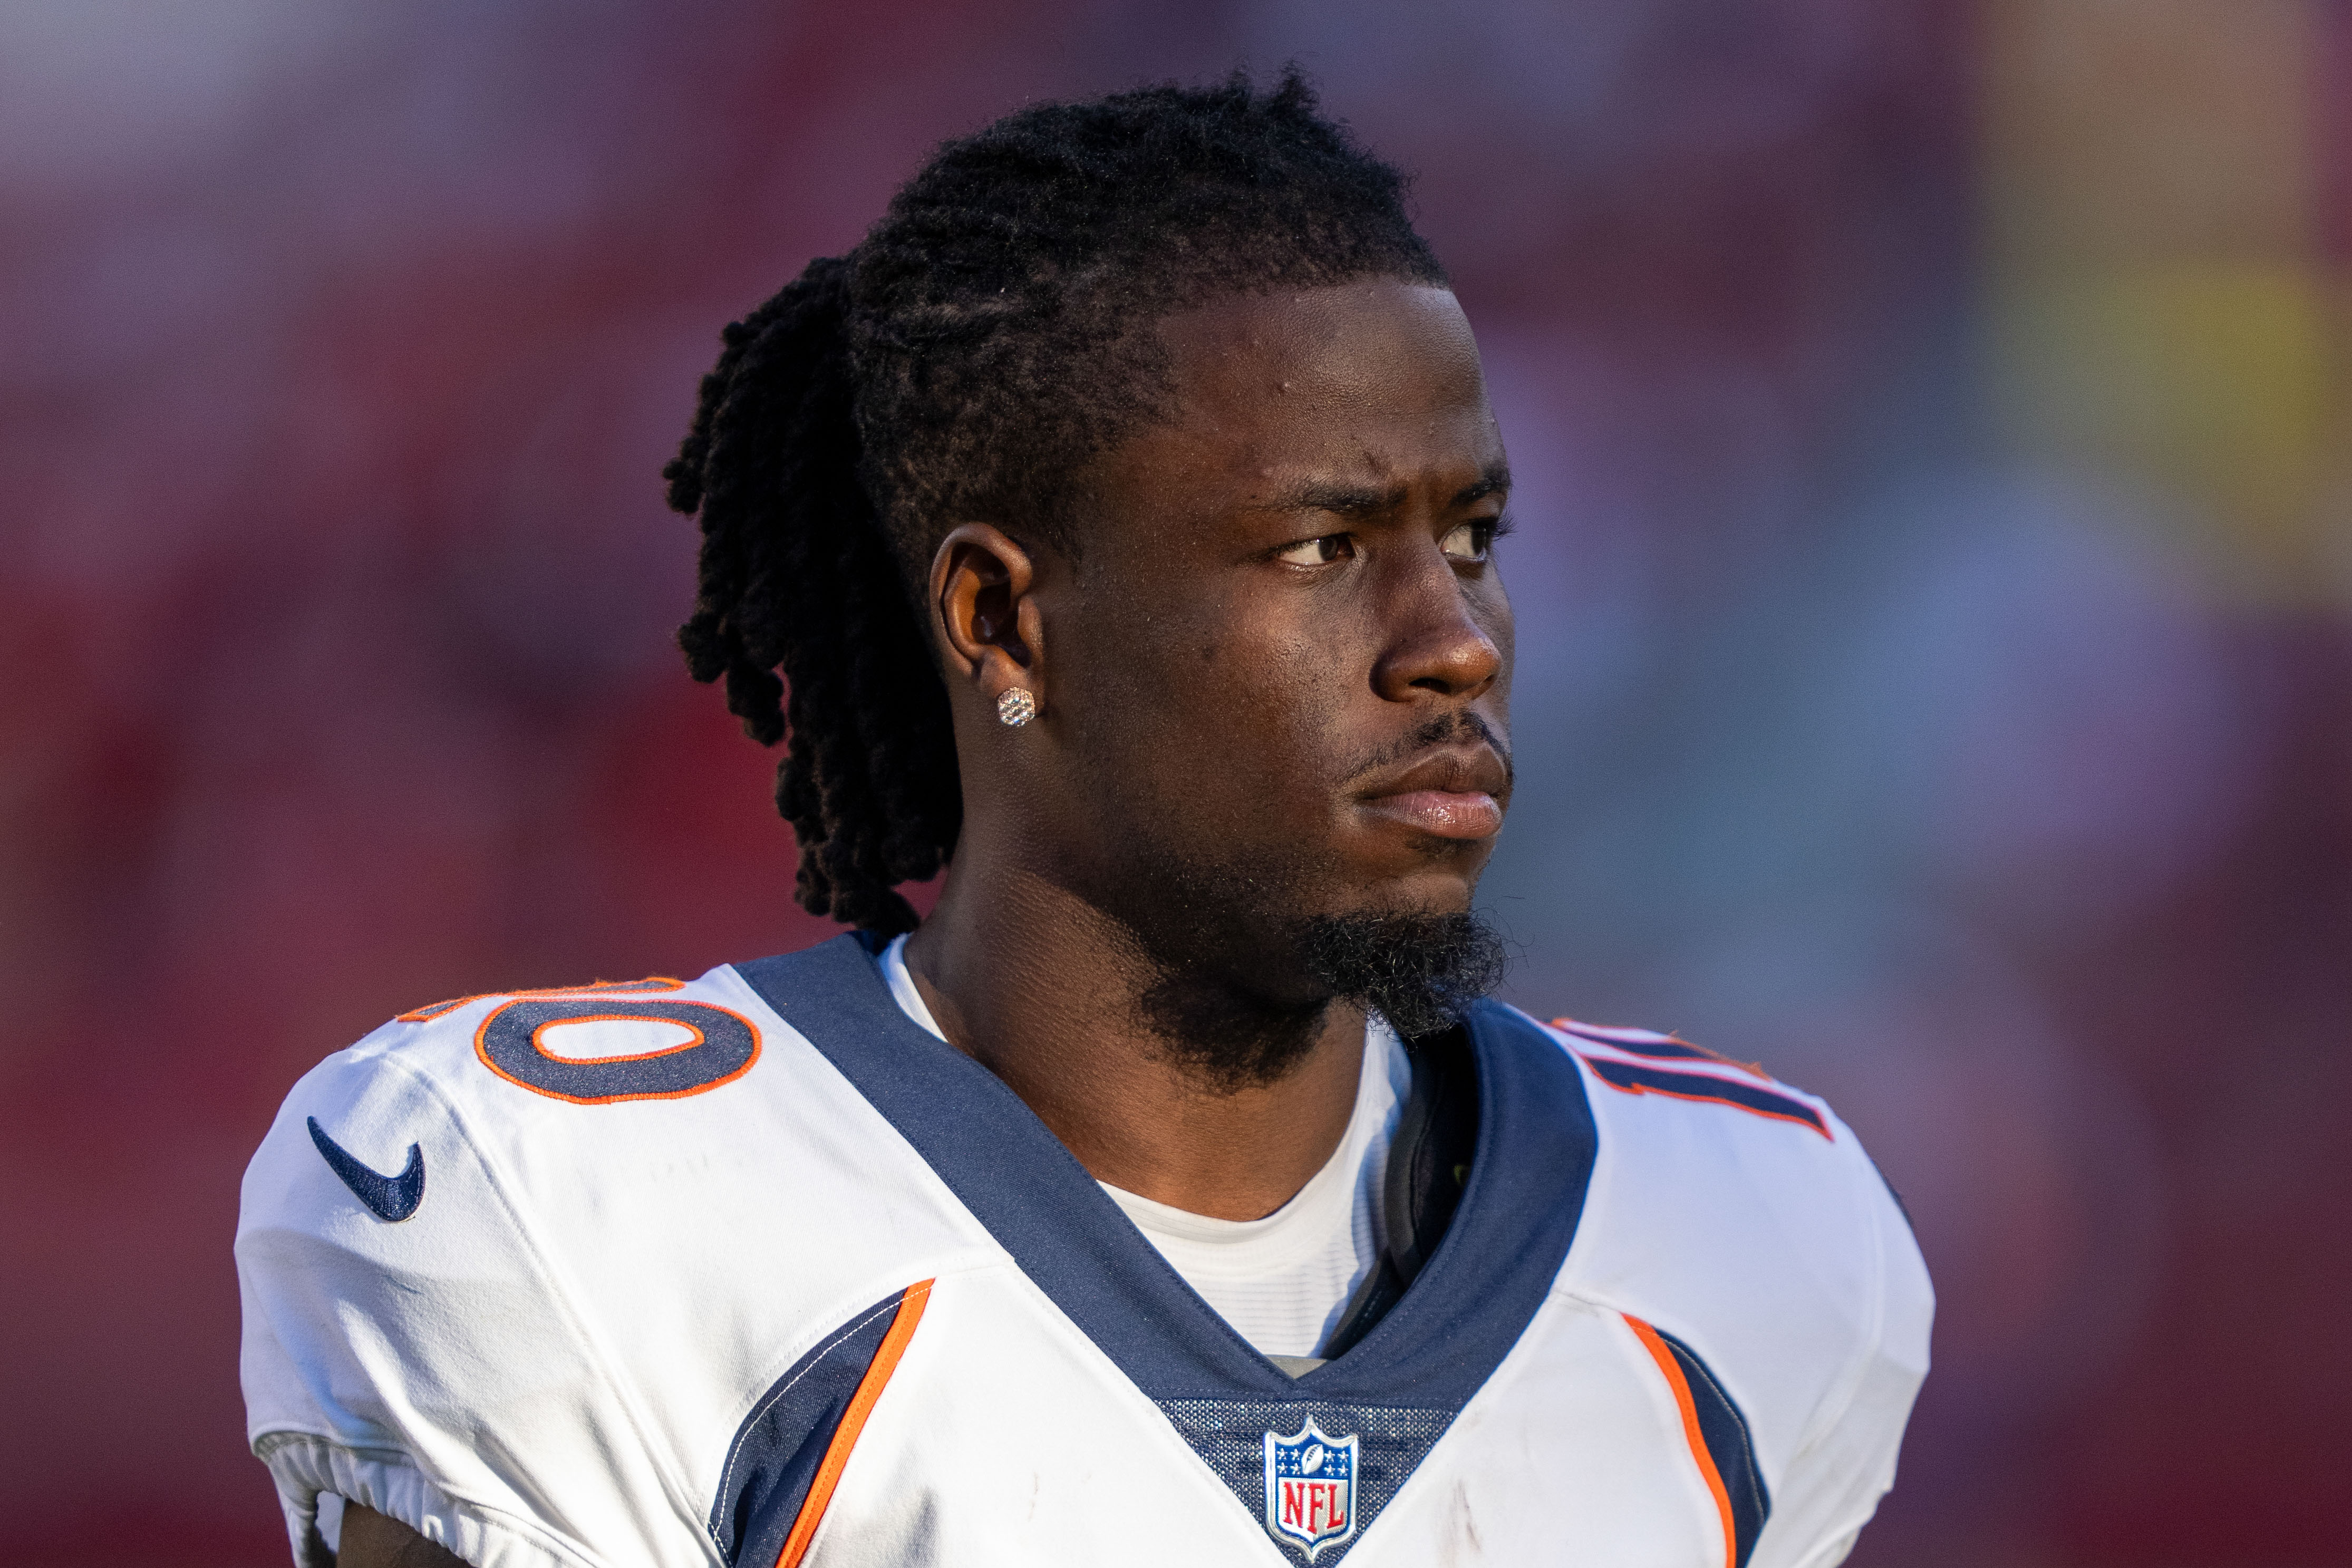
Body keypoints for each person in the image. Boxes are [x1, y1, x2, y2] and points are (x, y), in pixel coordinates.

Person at [237, 72, 1929, 1568]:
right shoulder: (572, 1206)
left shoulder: (1749, 1247)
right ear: (1003, 622)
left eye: (1471, 535)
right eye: (1324, 547)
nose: (1455, 640)